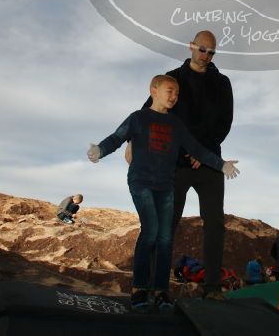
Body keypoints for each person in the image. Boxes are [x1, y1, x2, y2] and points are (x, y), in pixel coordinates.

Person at [87, 75, 240, 312]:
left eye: (177, 94)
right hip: (142, 182)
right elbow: (117, 138)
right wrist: (100, 149)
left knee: (166, 238)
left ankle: (161, 291)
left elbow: (197, 149)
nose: (174, 97)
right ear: (154, 90)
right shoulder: (138, 118)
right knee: (151, 232)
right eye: (170, 91)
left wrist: (220, 164)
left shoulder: (176, 125)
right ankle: (139, 288)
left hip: (166, 185)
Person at [133, 30, 234, 299]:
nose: (207, 56)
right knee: (166, 224)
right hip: (174, 164)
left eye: (212, 52)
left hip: (210, 164)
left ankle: (212, 287)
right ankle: (154, 287)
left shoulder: (223, 83)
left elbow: (225, 123)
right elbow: (150, 111)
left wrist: (201, 153)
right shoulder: (173, 79)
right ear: (191, 46)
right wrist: (133, 141)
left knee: (214, 224)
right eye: (203, 50)